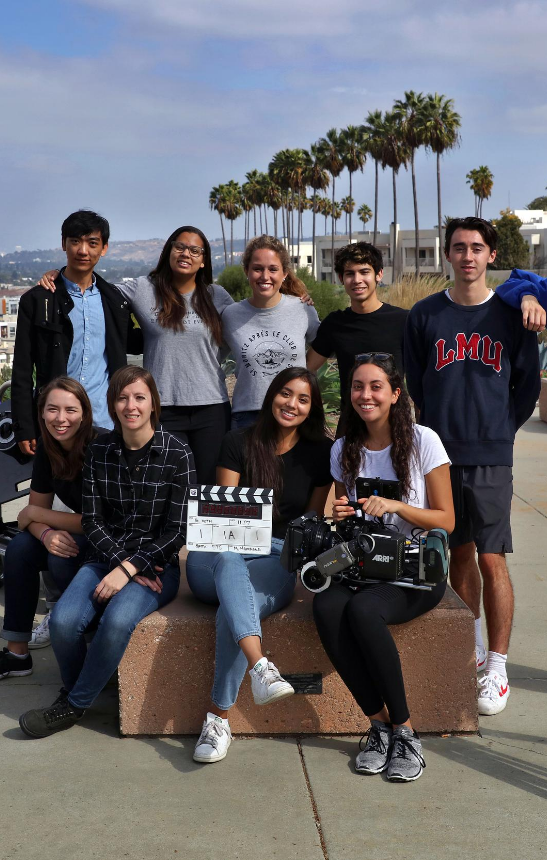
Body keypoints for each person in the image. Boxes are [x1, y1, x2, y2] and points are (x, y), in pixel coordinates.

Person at [403, 217, 540, 716]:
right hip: (439, 456)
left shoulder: (510, 314)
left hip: (488, 455)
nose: (467, 256)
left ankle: (498, 667)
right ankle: (473, 647)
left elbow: (525, 385)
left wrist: (501, 427)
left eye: (477, 248)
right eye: (458, 247)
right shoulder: (424, 316)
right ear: (447, 255)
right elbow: (416, 384)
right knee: (458, 557)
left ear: (490, 256)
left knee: (492, 558)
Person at [18, 366, 196, 738]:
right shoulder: (100, 450)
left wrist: (131, 569)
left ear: (152, 404)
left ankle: (73, 704)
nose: (131, 405)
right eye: (122, 398)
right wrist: (120, 564)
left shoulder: (177, 452)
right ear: (112, 405)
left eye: (139, 397)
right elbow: (93, 522)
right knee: (64, 623)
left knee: (116, 621)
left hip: (156, 567)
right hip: (106, 557)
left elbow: (177, 531)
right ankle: (92, 685)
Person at [313, 354, 454, 782]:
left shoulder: (424, 440)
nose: (365, 395)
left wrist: (398, 506)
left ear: (395, 393)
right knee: (325, 608)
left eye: (375, 386)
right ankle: (377, 724)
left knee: (362, 612)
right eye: (357, 386)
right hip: (365, 563)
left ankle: (405, 732)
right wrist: (341, 512)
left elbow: (446, 519)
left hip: (416, 568)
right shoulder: (344, 448)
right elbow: (345, 514)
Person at [186, 367, 333, 763]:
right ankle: (261, 667)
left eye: (303, 399)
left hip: (278, 555)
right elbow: (224, 517)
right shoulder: (237, 442)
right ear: (271, 396)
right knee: (230, 559)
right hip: (216, 553)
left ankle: (217, 720)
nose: (292, 404)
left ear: (312, 408)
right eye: (286, 394)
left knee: (233, 608)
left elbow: (310, 523)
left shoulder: (320, 452)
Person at [38, 226, 233, 483]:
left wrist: (298, 296)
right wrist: (60, 275)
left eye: (195, 250)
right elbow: (97, 290)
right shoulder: (144, 289)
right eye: (180, 247)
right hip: (162, 408)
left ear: (203, 259)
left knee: (207, 485)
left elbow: (249, 320)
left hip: (211, 408)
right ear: (169, 251)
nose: (186, 254)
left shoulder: (216, 296)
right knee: (165, 484)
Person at [0, 377, 103, 685]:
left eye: (70, 409)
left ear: (84, 413)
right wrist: (44, 532)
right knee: (21, 549)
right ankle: (17, 653)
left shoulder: (100, 447)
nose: (60, 418)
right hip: (81, 532)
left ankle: (86, 640)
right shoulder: (48, 449)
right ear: (41, 413)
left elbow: (96, 521)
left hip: (111, 541)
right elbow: (30, 517)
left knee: (61, 556)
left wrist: (36, 516)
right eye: (52, 409)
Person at [11, 209, 139, 454]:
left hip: (105, 422)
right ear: (63, 244)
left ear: (104, 248)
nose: (83, 250)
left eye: (92, 243)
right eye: (75, 241)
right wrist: (24, 427)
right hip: (56, 423)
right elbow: (23, 370)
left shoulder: (114, 300)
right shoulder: (38, 301)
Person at [306, 242, 409, 435]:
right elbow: (306, 367)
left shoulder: (403, 321)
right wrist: (297, 301)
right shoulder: (335, 324)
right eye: (350, 274)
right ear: (341, 278)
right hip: (350, 431)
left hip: (396, 430)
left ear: (379, 274)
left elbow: (422, 376)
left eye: (364, 272)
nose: (357, 280)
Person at [221, 236, 320, 429]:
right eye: (258, 269)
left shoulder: (302, 309)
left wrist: (305, 371)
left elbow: (324, 346)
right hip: (248, 417)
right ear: (246, 272)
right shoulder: (231, 315)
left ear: (284, 274)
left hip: (294, 414)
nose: (265, 276)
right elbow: (211, 355)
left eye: (273, 269)